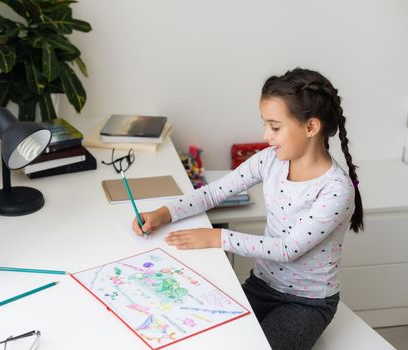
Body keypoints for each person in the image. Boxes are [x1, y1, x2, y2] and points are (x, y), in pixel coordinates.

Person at [132, 67, 364, 350]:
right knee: (214, 337)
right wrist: (164, 213)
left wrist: (218, 238)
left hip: (308, 303)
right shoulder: (270, 160)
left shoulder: (336, 189)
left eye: (275, 127)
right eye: (265, 124)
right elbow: (215, 191)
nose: (266, 135)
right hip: (262, 286)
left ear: (311, 127)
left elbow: (287, 249)